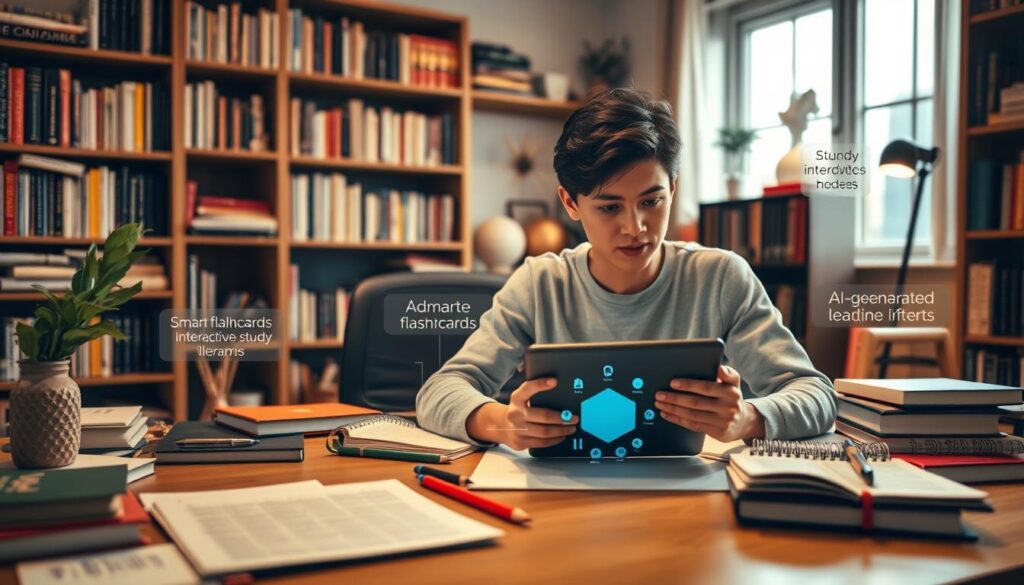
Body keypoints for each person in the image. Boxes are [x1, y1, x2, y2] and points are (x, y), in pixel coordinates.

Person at [416, 88, 836, 450]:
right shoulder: (539, 283)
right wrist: (504, 422)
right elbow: (438, 392)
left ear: (673, 188)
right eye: (609, 206)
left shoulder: (721, 278)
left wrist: (748, 419)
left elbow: (817, 395)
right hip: (562, 502)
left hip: (689, 505)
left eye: (652, 201)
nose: (635, 228)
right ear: (570, 203)